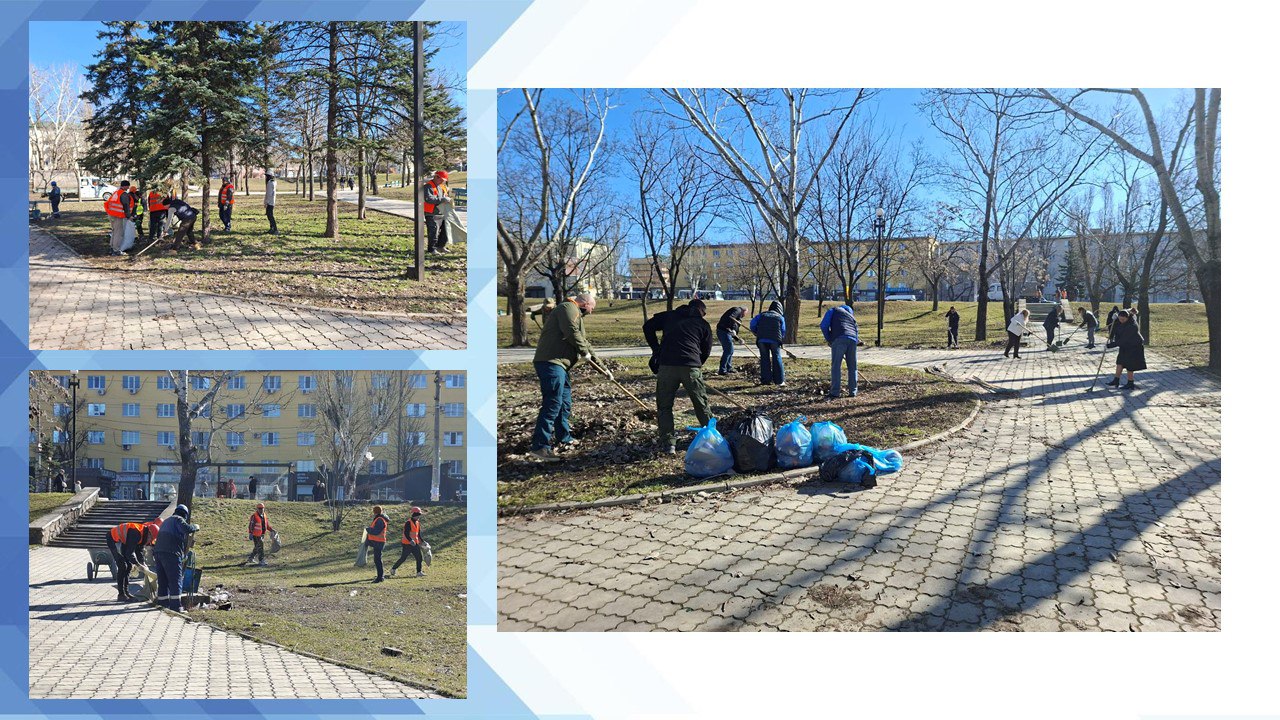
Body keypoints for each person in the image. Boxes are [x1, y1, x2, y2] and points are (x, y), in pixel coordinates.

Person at [529, 293, 602, 462]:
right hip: (551, 363)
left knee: (565, 402)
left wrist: (604, 369)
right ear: (585, 303)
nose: (591, 312)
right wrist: (583, 352)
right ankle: (540, 447)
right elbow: (571, 331)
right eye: (592, 307)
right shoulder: (568, 307)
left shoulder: (575, 313)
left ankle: (564, 437)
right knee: (553, 403)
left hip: (561, 366)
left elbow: (585, 342)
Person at [644, 299, 713, 453]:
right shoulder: (703, 324)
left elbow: (648, 326)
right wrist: (696, 363)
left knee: (664, 406)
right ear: (702, 311)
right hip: (691, 366)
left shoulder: (669, 316)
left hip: (667, 366)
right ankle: (712, 439)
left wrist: (656, 349)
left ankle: (669, 443)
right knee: (701, 404)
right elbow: (706, 350)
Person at [154, 504, 198, 612]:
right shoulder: (178, 519)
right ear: (184, 514)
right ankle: (176, 606)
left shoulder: (166, 521)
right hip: (171, 553)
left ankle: (163, 603)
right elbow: (186, 528)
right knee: (175, 580)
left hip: (159, 553)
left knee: (163, 579)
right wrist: (195, 527)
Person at [106, 520, 157, 602]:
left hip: (122, 541)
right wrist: (137, 564)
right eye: (150, 540)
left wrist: (143, 564)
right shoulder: (136, 533)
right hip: (113, 539)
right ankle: (121, 594)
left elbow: (138, 551)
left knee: (129, 566)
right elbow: (129, 553)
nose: (149, 543)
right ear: (149, 534)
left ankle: (126, 592)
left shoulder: (142, 535)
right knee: (122, 565)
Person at [820, 302, 860, 399]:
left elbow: (824, 326)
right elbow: (856, 331)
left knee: (836, 366)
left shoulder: (833, 310)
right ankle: (853, 391)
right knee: (852, 366)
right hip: (852, 339)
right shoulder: (851, 317)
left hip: (839, 339)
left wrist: (829, 339)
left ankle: (834, 392)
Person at [1106, 308, 1146, 389]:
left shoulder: (1132, 325)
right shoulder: (1120, 321)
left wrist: (1110, 345)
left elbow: (1123, 340)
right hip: (1125, 346)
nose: (1121, 321)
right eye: (1120, 319)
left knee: (1129, 365)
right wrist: (1113, 319)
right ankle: (1116, 380)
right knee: (1120, 362)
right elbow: (1114, 330)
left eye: (1123, 319)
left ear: (1127, 318)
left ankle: (1130, 383)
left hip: (1134, 346)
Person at [749, 301, 787, 386]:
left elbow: (752, 324)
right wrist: (781, 339)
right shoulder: (780, 317)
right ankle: (779, 381)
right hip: (775, 339)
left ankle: (766, 380)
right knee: (776, 357)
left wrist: (755, 331)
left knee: (764, 358)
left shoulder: (762, 315)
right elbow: (783, 330)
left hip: (761, 339)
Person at [389, 507, 426, 577]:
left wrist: (423, 541)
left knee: (419, 557)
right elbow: (406, 533)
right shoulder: (408, 523)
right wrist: (410, 540)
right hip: (407, 544)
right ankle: (393, 569)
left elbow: (418, 534)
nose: (418, 516)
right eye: (417, 515)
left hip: (415, 544)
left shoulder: (417, 523)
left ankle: (419, 572)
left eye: (419, 515)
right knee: (403, 558)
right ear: (414, 515)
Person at [423, 170, 451, 253]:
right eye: (441, 179)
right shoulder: (428, 187)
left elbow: (444, 197)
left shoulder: (441, 187)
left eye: (444, 180)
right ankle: (432, 249)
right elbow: (429, 199)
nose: (442, 181)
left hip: (441, 212)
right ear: (436, 177)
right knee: (433, 232)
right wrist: (442, 199)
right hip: (431, 213)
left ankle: (440, 246)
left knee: (446, 229)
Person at [104, 180, 135, 255]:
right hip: (118, 216)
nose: (128, 188)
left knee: (114, 231)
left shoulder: (116, 193)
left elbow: (108, 203)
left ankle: (112, 247)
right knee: (119, 233)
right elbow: (126, 206)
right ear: (125, 186)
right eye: (127, 186)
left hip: (111, 214)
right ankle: (116, 250)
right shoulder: (124, 194)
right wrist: (129, 216)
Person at [715, 307, 746, 375]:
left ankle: (729, 368)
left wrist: (738, 339)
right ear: (744, 311)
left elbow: (733, 330)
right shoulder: (737, 310)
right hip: (723, 331)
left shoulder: (738, 319)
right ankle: (722, 370)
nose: (744, 315)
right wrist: (731, 330)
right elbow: (730, 318)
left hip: (726, 332)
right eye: (745, 313)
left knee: (730, 350)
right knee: (729, 350)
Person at [366, 506, 389, 582]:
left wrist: (368, 529)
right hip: (378, 541)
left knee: (377, 560)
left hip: (378, 542)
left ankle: (380, 577)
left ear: (375, 512)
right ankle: (380, 576)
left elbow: (376, 531)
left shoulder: (379, 520)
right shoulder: (380, 518)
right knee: (377, 559)